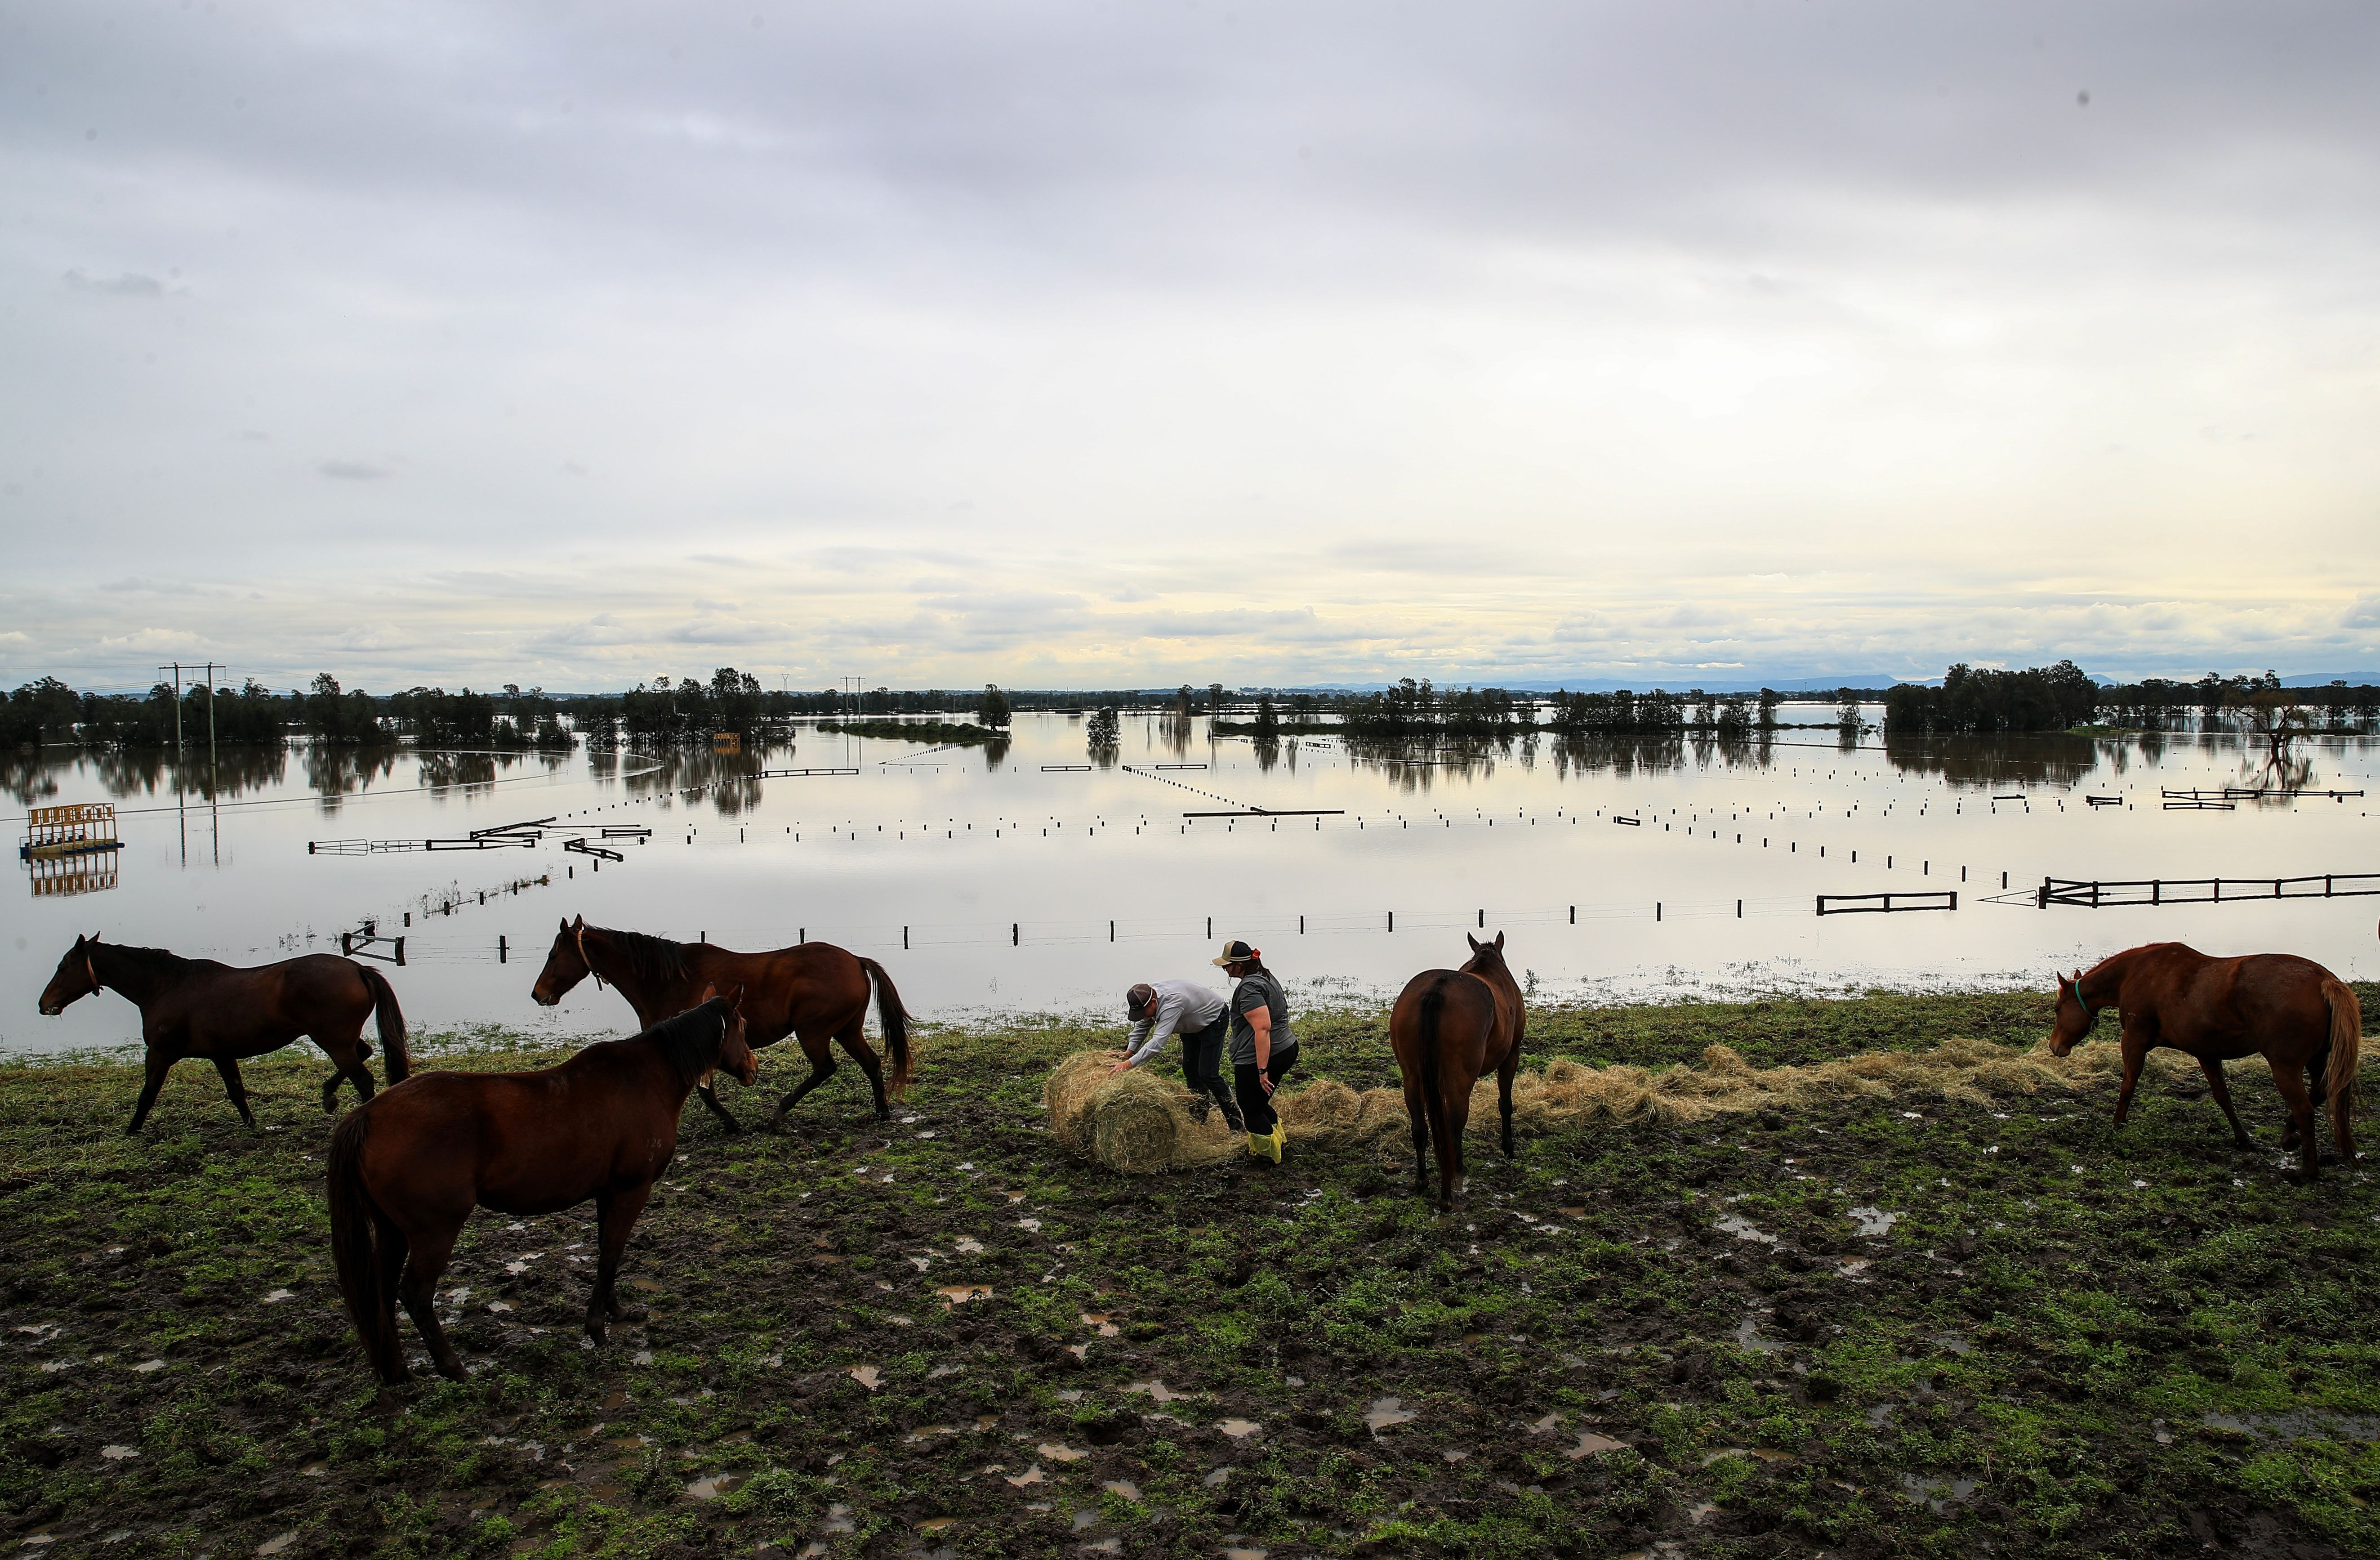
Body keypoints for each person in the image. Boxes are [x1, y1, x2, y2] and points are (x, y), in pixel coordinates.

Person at [1108, 979, 1243, 1132]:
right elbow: (1143, 1023)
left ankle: (1237, 1127)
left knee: (1208, 1074)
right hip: (1190, 1021)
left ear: (1153, 1002)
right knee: (1191, 1071)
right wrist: (1130, 1051)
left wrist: (1129, 1064)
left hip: (1213, 1017)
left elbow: (1157, 1044)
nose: (1143, 1016)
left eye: (1144, 1012)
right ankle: (1199, 1121)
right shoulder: (1146, 996)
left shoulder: (1172, 1003)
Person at [1212, 939, 1298, 1163]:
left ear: (1239, 966)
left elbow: (1262, 1028)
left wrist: (1262, 1071)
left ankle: (1267, 1158)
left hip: (1261, 1056)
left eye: (1227, 966)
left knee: (1250, 1111)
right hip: (1286, 1046)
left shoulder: (1249, 987)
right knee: (1258, 1104)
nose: (1225, 970)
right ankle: (1278, 1143)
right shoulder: (1266, 977)